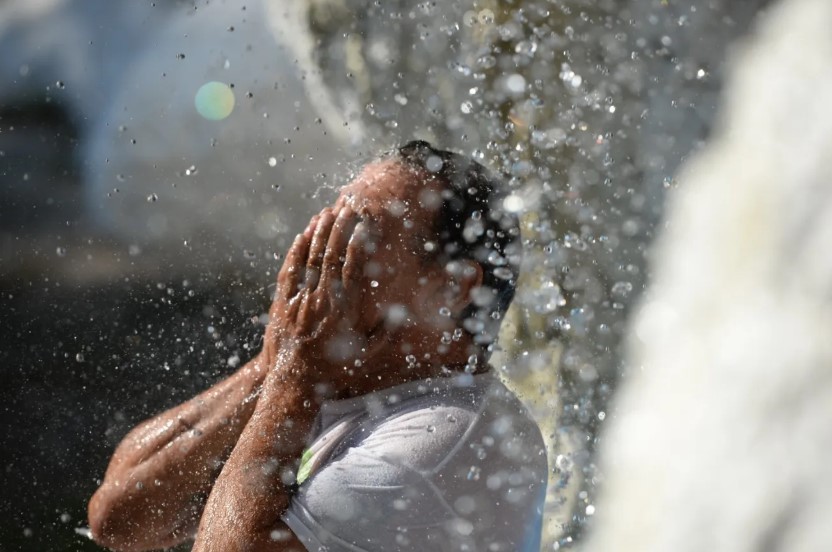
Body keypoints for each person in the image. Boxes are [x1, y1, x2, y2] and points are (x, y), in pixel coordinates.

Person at [88, 141, 548, 552]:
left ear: (454, 288)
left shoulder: (442, 446)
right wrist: (272, 366)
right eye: (330, 223)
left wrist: (293, 378)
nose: (320, 252)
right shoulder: (346, 381)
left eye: (356, 235)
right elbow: (120, 522)